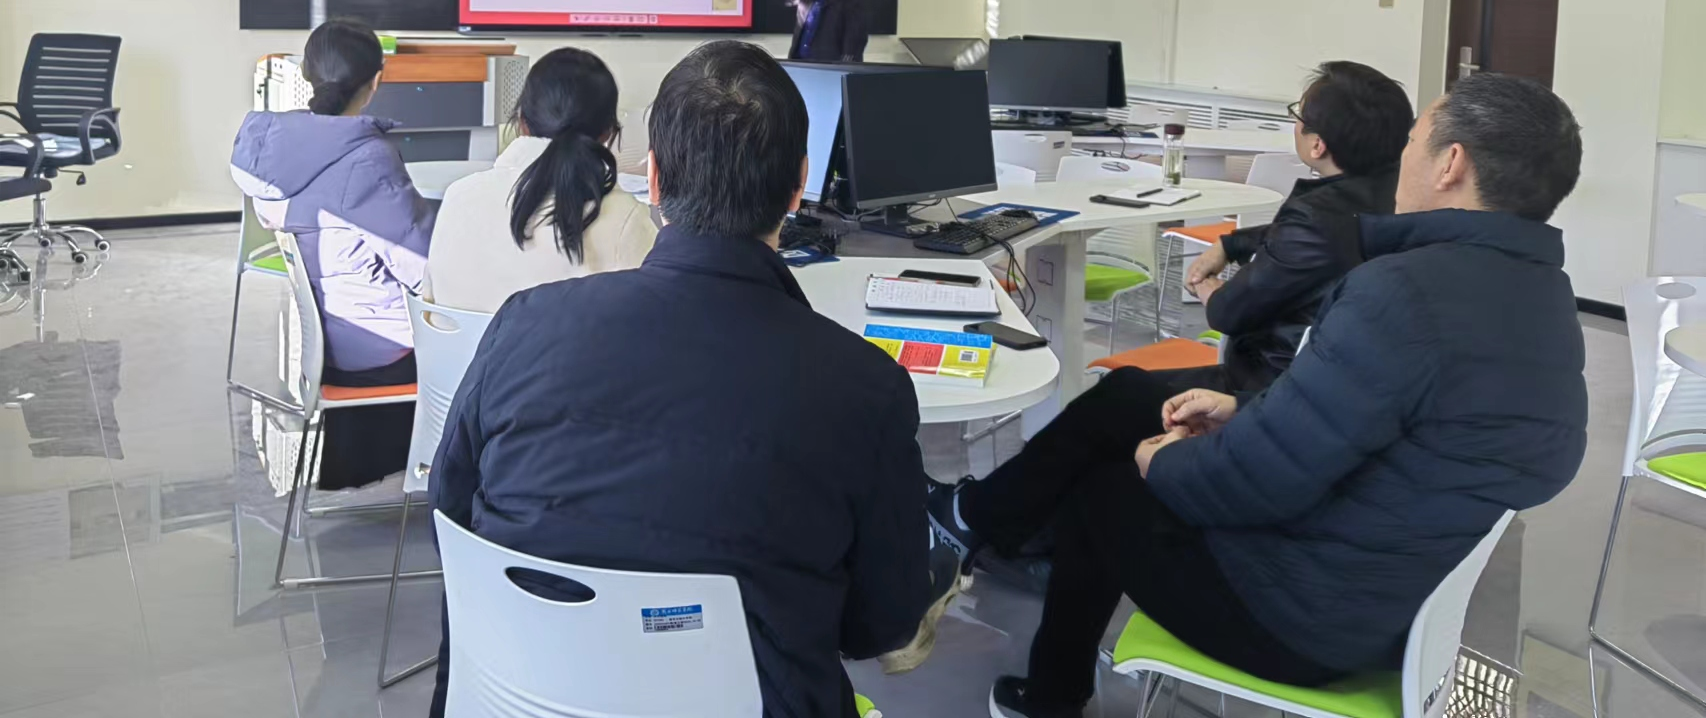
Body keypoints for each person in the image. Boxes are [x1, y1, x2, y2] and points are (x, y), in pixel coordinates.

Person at [923, 72, 1589, 718]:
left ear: (1450, 164)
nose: (1403, 157)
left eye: (1415, 140)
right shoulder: (1546, 298)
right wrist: (1246, 412)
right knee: (1128, 436)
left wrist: (1163, 461)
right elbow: (1411, 433)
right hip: (1401, 610)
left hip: (1306, 620)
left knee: (1107, 490)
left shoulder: (1404, 291)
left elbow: (1258, 483)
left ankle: (1048, 697)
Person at [429, 41, 956, 718]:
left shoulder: (524, 324)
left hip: (517, 699)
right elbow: (880, 626)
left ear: (651, 178)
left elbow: (451, 515)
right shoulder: (864, 388)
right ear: (798, 185)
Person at [1115, 61, 1413, 434]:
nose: (1295, 124)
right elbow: (1312, 235)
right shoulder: (1398, 196)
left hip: (1273, 390)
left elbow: (1228, 312)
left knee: (1117, 395)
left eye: (1298, 116)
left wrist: (1208, 289)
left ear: (1317, 144)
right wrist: (1232, 243)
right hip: (1350, 385)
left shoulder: (1315, 218)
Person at [230, 20, 436, 488]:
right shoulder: (368, 159)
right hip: (381, 352)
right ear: (376, 80)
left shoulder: (271, 151)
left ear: (306, 74)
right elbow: (426, 272)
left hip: (325, 346)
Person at [426, 47, 655, 313]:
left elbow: (429, 300)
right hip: (568, 343)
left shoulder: (458, 196)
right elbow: (654, 311)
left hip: (459, 344)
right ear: (607, 132)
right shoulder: (625, 217)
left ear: (522, 121)